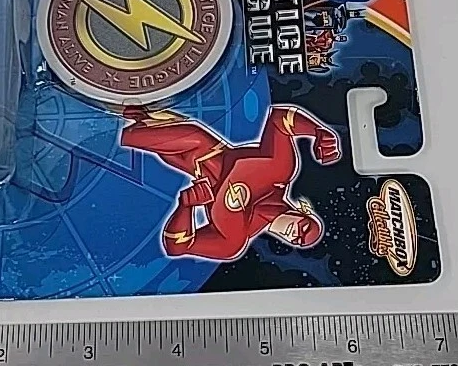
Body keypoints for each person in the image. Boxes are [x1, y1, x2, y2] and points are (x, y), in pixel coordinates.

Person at [120, 104, 342, 261]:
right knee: (123, 131)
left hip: (183, 159)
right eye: (304, 228)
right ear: (302, 212)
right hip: (196, 142)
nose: (296, 235)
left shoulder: (233, 242)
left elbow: (176, 246)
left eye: (299, 241)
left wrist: (186, 208)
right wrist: (317, 131)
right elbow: (280, 119)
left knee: (120, 132)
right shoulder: (279, 172)